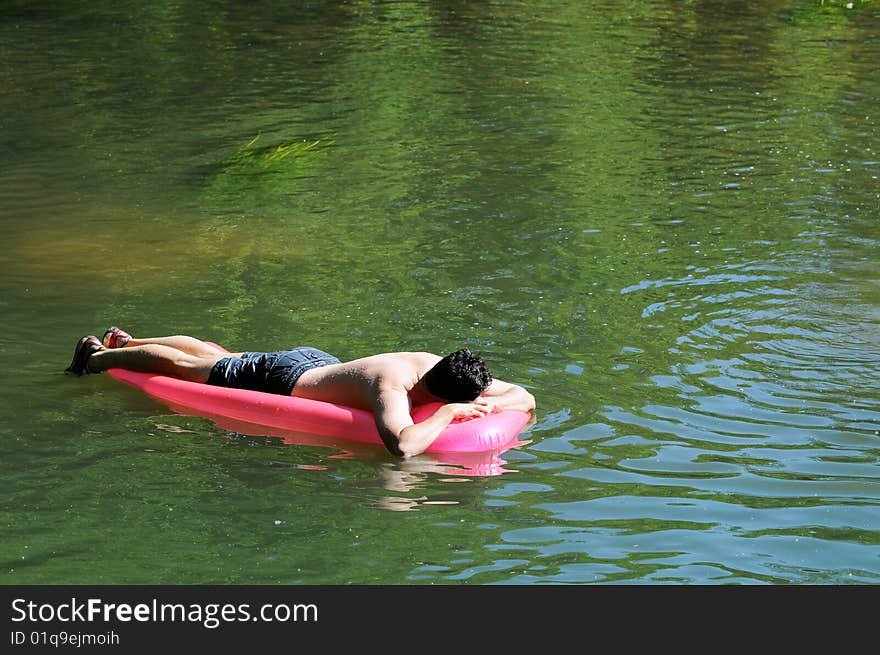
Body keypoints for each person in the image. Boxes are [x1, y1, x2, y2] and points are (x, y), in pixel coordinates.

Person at [66, 327, 536, 458]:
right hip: (286, 378)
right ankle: (98, 358)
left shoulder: (451, 368)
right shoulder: (394, 385)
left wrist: (492, 402)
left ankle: (133, 341)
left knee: (212, 357)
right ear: (441, 389)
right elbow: (403, 447)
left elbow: (526, 398)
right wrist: (450, 413)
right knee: (195, 366)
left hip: (320, 364)